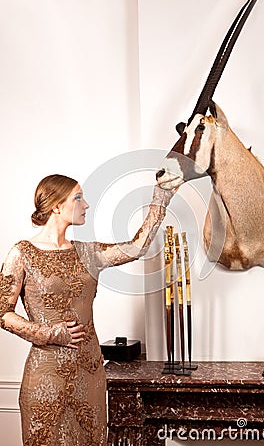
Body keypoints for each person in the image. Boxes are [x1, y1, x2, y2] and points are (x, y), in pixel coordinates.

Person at [0, 174, 176, 446]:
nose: (86, 205)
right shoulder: (22, 253)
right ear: (56, 206)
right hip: (47, 373)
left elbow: (136, 247)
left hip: (90, 372)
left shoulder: (88, 252)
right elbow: (2, 313)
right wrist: (48, 333)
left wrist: (161, 197)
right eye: (78, 198)